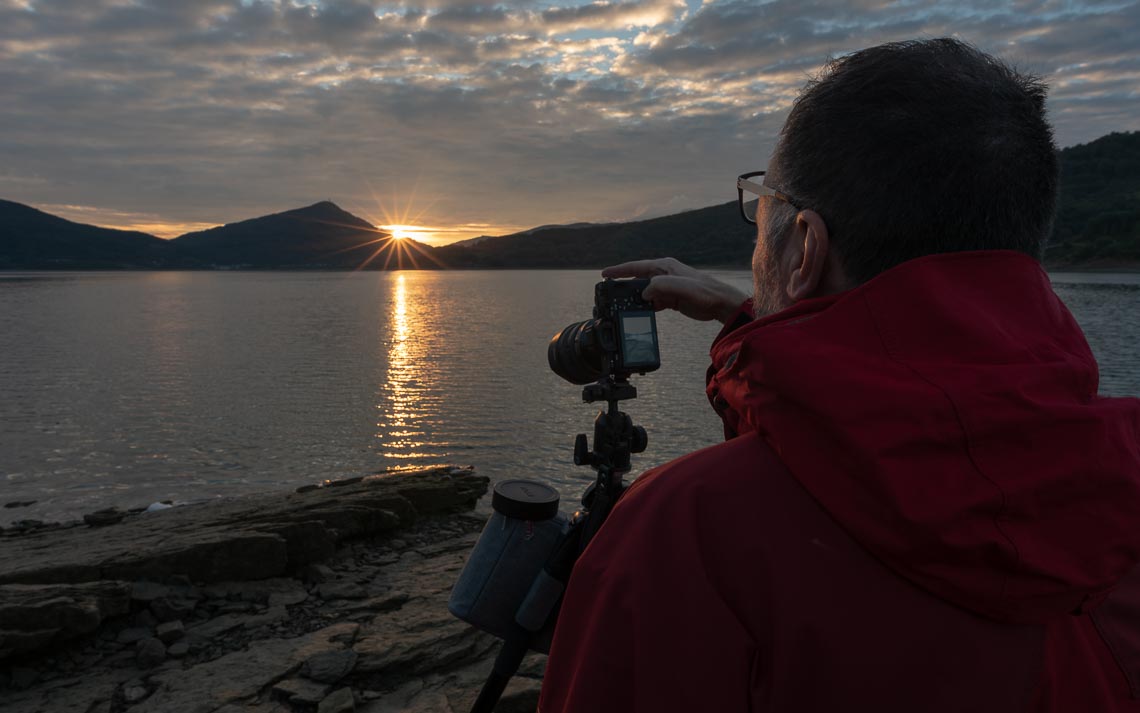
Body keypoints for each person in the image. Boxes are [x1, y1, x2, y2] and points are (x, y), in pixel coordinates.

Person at [537, 39, 1140, 712]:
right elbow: (889, 457)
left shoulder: (685, 535)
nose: (755, 239)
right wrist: (747, 324)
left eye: (762, 210)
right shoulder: (1117, 478)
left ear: (804, 248)